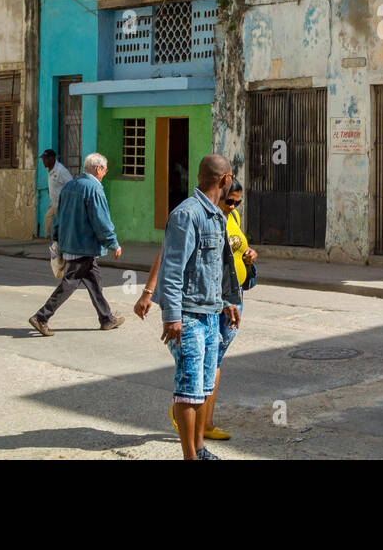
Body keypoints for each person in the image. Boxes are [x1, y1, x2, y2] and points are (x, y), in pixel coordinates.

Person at [136, 178, 256, 444]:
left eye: (238, 202)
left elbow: (224, 258)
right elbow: (170, 258)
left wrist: (247, 256)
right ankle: (195, 432)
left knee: (214, 363)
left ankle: (202, 430)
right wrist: (153, 297)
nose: (234, 205)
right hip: (199, 307)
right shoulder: (193, 215)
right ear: (222, 186)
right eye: (230, 200)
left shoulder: (226, 216)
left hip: (225, 301)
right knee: (195, 375)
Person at [155, 153, 241, 460]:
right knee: (188, 391)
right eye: (230, 177)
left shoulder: (216, 216)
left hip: (209, 314)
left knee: (203, 388)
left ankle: (200, 449)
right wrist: (172, 316)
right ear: (224, 180)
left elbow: (214, 269)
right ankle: (189, 456)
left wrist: (227, 302)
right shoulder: (187, 215)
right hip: (188, 317)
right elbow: (173, 268)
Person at [28, 152, 124, 335]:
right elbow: (101, 220)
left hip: (71, 243)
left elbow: (58, 215)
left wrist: (56, 237)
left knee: (94, 281)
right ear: (98, 169)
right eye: (104, 169)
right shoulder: (94, 189)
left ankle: (106, 318)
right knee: (70, 282)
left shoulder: (70, 186)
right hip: (83, 245)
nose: (106, 172)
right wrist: (113, 243)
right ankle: (42, 316)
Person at [41, 149, 73, 239]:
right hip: (54, 204)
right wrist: (50, 190)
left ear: (52, 159)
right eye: (43, 159)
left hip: (62, 205)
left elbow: (71, 184)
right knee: (48, 222)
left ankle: (60, 244)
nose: (43, 161)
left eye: (45, 159)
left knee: (60, 227)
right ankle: (56, 242)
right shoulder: (50, 169)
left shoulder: (61, 170)